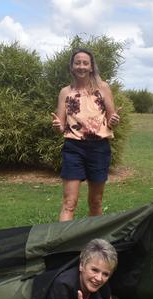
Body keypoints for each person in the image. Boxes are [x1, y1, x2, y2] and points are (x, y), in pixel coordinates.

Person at [51, 48, 120, 222]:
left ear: (91, 67)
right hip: (73, 148)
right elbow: (59, 127)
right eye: (77, 63)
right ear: (72, 67)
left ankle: (94, 245)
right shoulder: (65, 92)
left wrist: (114, 120)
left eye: (85, 63)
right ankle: (64, 245)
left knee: (95, 202)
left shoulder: (103, 88)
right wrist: (57, 126)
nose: (81, 66)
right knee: (69, 203)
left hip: (99, 148)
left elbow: (112, 119)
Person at [45, 238, 117, 299]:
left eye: (106, 274)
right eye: (94, 270)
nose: (99, 278)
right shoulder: (63, 284)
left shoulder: (101, 281)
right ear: (81, 265)